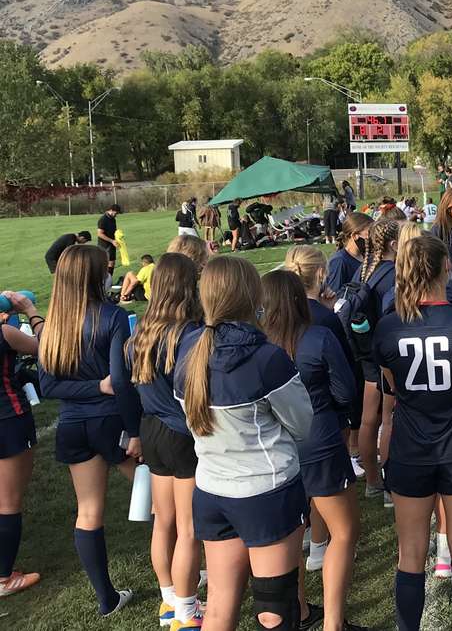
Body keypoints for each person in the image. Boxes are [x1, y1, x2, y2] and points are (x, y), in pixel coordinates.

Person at [175, 255, 314, 631]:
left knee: (220, 606)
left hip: (212, 489)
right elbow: (303, 425)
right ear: (252, 296)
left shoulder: (187, 350)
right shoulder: (266, 357)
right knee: (274, 611)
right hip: (263, 493)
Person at [373, 234, 452, 631]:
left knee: (409, 553)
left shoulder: (388, 327)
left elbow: (393, 387)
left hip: (409, 448)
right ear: (447, 268)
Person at [38, 244, 140, 616]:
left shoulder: (52, 324)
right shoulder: (113, 316)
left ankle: (106, 599)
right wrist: (134, 429)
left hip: (72, 426)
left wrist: (92, 389)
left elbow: (48, 387)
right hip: (111, 421)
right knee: (162, 502)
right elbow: (122, 382)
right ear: (96, 276)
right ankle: (187, 580)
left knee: (88, 511)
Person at [261, 270, 363, 631]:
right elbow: (347, 392)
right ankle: (332, 623)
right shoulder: (318, 337)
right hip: (319, 440)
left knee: (293, 533)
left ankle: (301, 610)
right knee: (345, 531)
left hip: (277, 447)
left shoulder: (261, 345)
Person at [124, 253, 205, 629]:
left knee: (164, 522)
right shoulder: (188, 333)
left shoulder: (141, 328)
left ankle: (169, 599)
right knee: (189, 527)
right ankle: (187, 615)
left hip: (151, 430)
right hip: (179, 433)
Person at [285, 244, 364, 481]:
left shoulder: (278, 312)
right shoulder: (324, 320)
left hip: (287, 412)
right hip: (323, 415)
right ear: (321, 273)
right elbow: (344, 377)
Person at [353, 218, 402, 505]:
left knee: (368, 419)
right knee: (387, 419)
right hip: (384, 353)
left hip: (366, 352)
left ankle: (372, 480)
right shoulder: (393, 273)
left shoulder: (366, 269)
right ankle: (388, 486)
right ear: (394, 244)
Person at [0, 289, 43, 597]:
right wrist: (28, 309)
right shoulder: (6, 333)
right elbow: (46, 349)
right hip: (9, 420)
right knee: (9, 502)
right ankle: (3, 578)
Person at [326, 213, 373, 296]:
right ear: (355, 236)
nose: (373, 237)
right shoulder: (339, 261)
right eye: (370, 233)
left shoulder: (366, 256)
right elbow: (335, 296)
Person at [96, 203, 121, 274]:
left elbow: (114, 231)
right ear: (111, 210)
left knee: (112, 263)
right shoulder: (103, 219)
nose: (117, 215)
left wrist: (119, 238)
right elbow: (100, 234)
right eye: (116, 213)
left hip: (112, 244)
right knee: (104, 264)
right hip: (104, 245)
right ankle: (102, 281)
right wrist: (112, 241)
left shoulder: (113, 219)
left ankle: (109, 281)